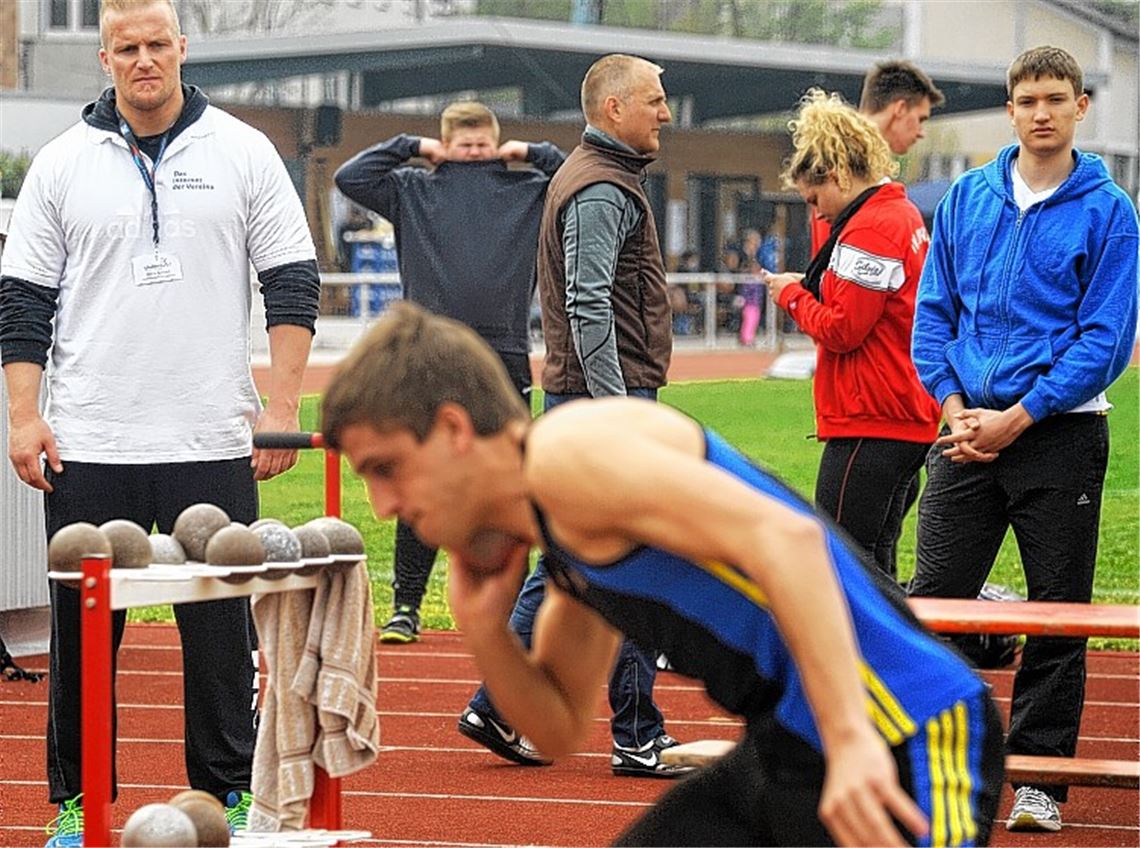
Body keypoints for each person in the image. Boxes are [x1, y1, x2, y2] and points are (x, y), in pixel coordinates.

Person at [320, 301, 1006, 847]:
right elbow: (557, 728)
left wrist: (854, 739)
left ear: (452, 429)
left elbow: (790, 540)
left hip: (904, 729)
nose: (385, 507)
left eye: (386, 469)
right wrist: (483, 627)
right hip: (793, 744)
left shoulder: (568, 454)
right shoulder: (562, 535)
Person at [0, 1, 320, 844]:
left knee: (218, 644)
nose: (143, 61)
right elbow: (23, 301)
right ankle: (76, 809)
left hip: (210, 440)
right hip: (90, 442)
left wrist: (281, 407)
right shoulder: (63, 163)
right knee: (80, 645)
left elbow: (291, 277)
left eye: (156, 45)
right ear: (104, 58)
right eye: (126, 48)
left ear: (182, 47)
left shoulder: (245, 152)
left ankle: (233, 798)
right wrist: (25, 416)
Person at [910, 45, 1139, 834]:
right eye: (1028, 99)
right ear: (1009, 110)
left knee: (1059, 615)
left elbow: (1105, 339)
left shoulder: (1110, 211)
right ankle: (926, 762)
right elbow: (933, 315)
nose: (1041, 112)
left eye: (1056, 98)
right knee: (930, 605)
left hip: (1061, 435)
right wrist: (951, 408)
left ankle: (1040, 781)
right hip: (965, 432)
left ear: (1081, 107)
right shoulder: (966, 199)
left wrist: (1024, 414)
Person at [457, 53, 686, 779]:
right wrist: (618, 412)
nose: (667, 111)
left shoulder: (603, 177)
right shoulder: (599, 188)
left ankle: (498, 704)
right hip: (599, 406)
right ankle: (637, 733)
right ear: (614, 109)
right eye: (655, 99)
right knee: (631, 565)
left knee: (570, 564)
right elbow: (589, 303)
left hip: (585, 403)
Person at [334, 102, 565, 645]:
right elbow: (351, 176)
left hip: (503, 350)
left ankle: (509, 611)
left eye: (483, 147)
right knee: (419, 475)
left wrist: (531, 153)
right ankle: (406, 606)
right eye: (464, 148)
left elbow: (572, 173)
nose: (474, 156)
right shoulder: (413, 187)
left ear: (498, 145)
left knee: (510, 478)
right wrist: (412, 146)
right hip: (427, 356)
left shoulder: (527, 187)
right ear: (444, 146)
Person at [762, 90, 941, 579]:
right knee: (875, 562)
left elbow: (843, 328)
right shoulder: (896, 214)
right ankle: (883, 656)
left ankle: (859, 656)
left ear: (838, 175)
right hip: (899, 411)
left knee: (842, 562)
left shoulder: (870, 229)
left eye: (815, 199)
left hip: (874, 418)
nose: (817, 214)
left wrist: (793, 296)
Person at [810, 59, 945, 254]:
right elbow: (834, 276)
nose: (921, 132)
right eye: (920, 119)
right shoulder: (845, 173)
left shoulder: (856, 168)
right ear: (900, 109)